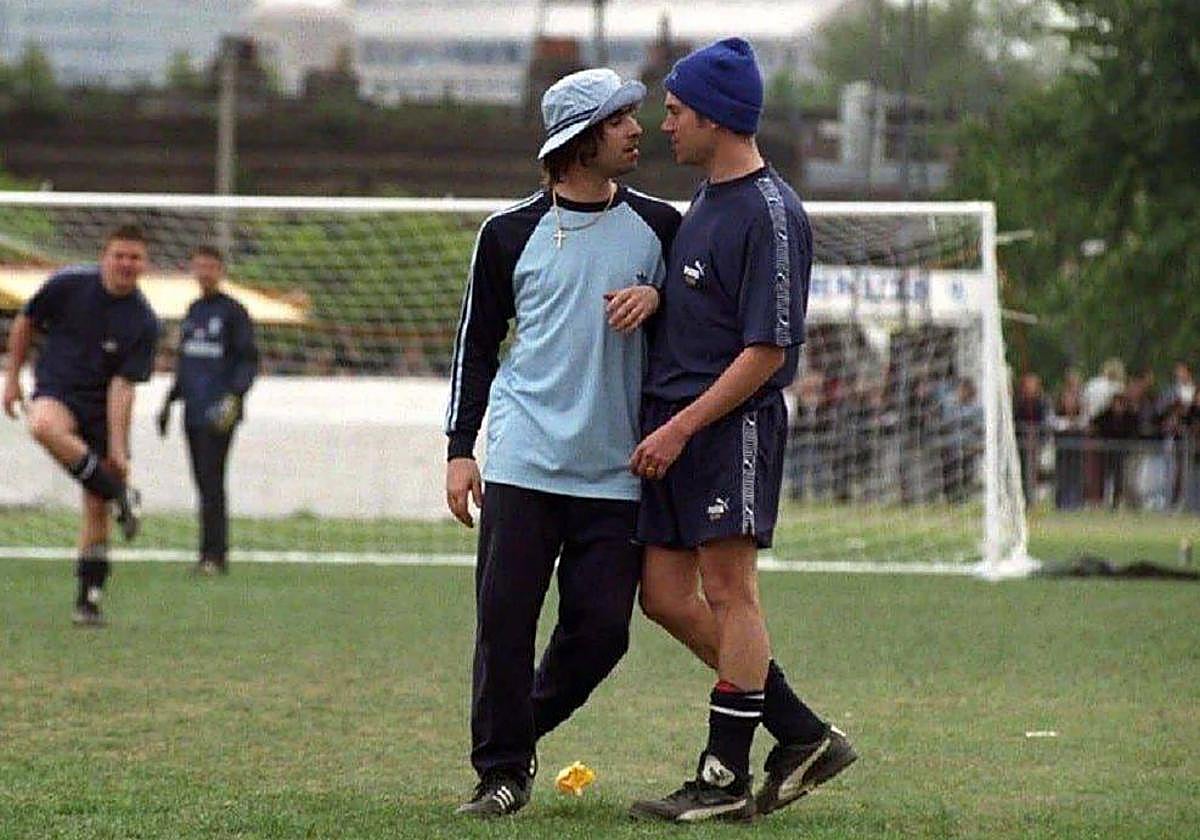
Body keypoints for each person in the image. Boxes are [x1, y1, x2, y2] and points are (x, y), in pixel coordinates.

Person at [627, 38, 856, 824]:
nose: (665, 126)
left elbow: (768, 350)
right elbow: (703, 306)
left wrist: (684, 427)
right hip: (676, 429)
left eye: (677, 111)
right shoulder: (705, 202)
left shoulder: (771, 212)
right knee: (662, 595)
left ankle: (723, 779)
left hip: (726, 429)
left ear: (718, 117)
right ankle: (799, 731)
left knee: (730, 592)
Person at [443, 68, 680, 818]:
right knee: (505, 623)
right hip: (521, 460)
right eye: (619, 120)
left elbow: (706, 323)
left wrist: (661, 296)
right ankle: (501, 774)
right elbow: (475, 347)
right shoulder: (506, 233)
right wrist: (459, 448)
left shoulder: (662, 227)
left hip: (617, 469)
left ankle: (523, 727)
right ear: (580, 142)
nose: (637, 131)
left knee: (603, 631)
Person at [2, 225, 159, 626]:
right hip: (57, 391)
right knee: (41, 425)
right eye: (119, 255)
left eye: (134, 257)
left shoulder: (143, 321)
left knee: (95, 505)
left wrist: (119, 450)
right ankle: (123, 495)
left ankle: (88, 600)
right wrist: (12, 377)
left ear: (145, 264)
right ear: (104, 256)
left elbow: (123, 388)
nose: (126, 263)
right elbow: (26, 321)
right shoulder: (68, 284)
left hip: (101, 408)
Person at [156, 245, 258, 575]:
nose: (204, 273)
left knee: (212, 481)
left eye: (210, 267)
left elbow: (247, 360)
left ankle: (215, 555)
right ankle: (207, 554)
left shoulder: (234, 312)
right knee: (202, 481)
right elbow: (187, 362)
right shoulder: (194, 310)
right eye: (199, 267)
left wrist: (234, 397)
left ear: (220, 270)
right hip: (193, 410)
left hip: (218, 412)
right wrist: (169, 402)